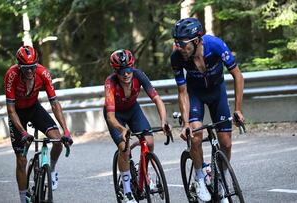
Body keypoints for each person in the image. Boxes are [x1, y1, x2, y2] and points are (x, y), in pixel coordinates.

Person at [171, 18, 245, 203]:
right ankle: (200, 179)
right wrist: (186, 123)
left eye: (182, 43)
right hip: (195, 94)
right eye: (176, 42)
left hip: (217, 92)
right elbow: (182, 92)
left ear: (196, 41)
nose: (178, 47)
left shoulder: (216, 45)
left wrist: (238, 109)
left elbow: (237, 75)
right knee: (196, 135)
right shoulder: (177, 57)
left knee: (226, 143)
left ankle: (220, 181)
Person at [4, 45, 73, 203]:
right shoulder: (12, 75)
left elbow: (54, 103)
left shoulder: (43, 73)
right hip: (17, 113)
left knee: (58, 142)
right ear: (19, 67)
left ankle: (52, 170)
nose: (29, 72)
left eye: (32, 67)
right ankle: (23, 198)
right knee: (21, 159)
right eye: (26, 68)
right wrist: (23, 133)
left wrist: (66, 131)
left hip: (34, 108)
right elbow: (11, 110)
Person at [103, 49, 169, 203]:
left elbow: (157, 99)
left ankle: (143, 174)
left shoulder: (139, 75)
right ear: (115, 71)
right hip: (116, 115)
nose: (126, 74)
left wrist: (164, 121)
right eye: (121, 71)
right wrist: (122, 129)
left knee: (149, 141)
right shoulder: (110, 83)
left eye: (128, 69)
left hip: (133, 110)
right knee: (124, 148)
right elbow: (110, 117)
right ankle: (127, 191)